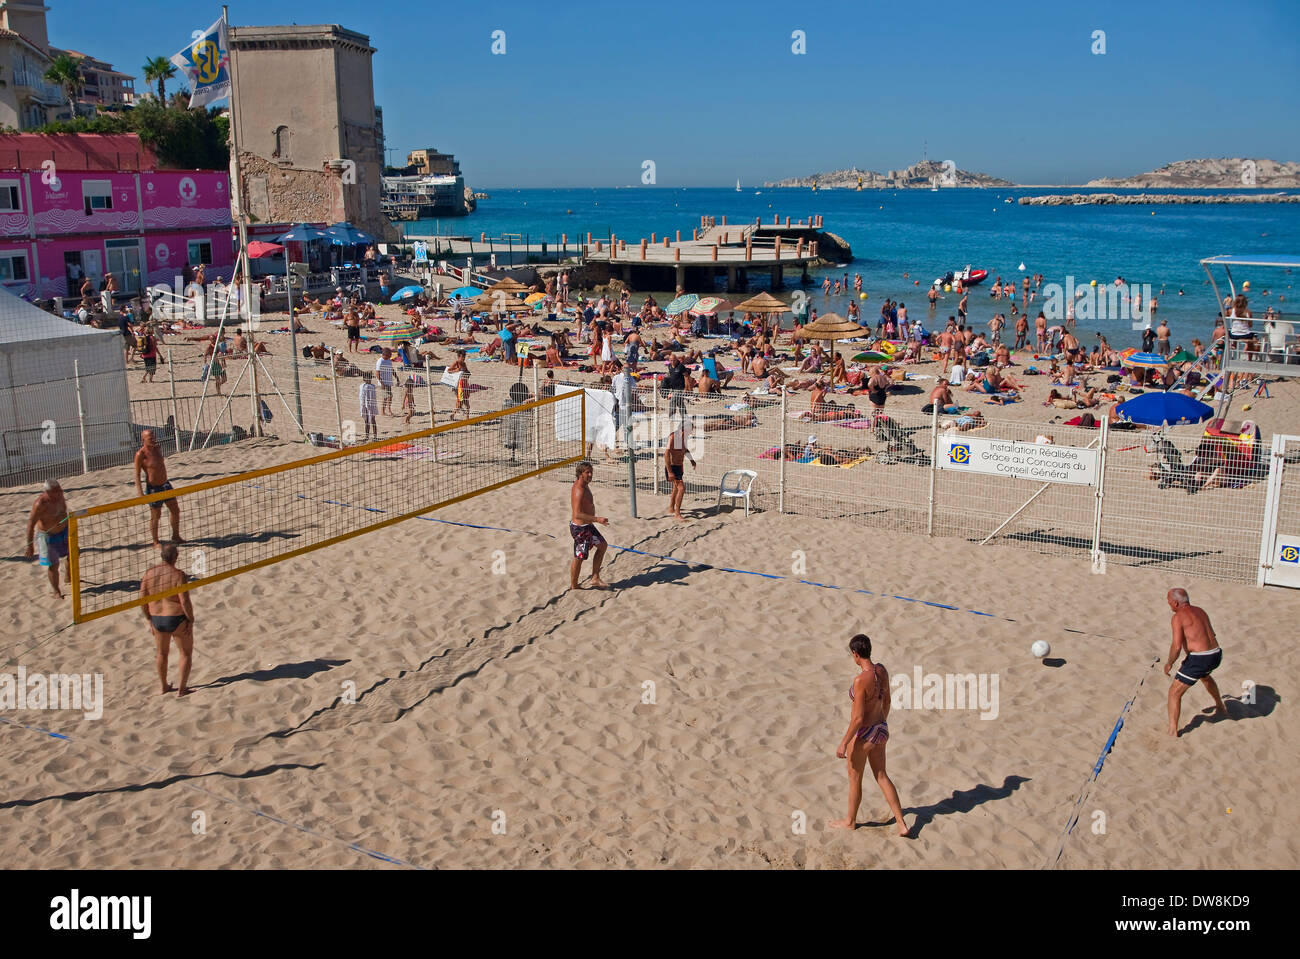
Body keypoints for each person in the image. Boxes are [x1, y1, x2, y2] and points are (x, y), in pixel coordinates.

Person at [829, 633, 910, 836]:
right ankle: (901, 823)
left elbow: (857, 719)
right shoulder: (881, 670)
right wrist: (881, 723)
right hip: (881, 729)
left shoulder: (860, 680)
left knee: (855, 777)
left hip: (865, 733)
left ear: (855, 654)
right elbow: (888, 701)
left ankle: (850, 821)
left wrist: (843, 743)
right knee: (882, 776)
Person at [1163, 588, 1227, 737]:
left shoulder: (1178, 617)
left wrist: (1169, 663)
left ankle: (1173, 731)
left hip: (1201, 658)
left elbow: (1177, 646)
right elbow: (1208, 634)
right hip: (1216, 654)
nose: (1168, 603)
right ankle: (1220, 706)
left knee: (1174, 693)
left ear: (1176, 603)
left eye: (1169, 601)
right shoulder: (1200, 611)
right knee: (1204, 676)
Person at [140, 543, 195, 697]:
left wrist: (149, 619)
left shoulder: (148, 574)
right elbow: (184, 601)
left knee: (161, 654)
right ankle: (182, 689)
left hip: (157, 619)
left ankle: (164, 686)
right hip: (176, 618)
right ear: (175, 557)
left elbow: (142, 600)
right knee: (185, 653)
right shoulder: (178, 575)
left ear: (161, 556)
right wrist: (190, 620)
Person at [134, 429, 182, 547]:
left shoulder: (157, 448)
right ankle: (155, 541)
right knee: (156, 515)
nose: (153, 439)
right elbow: (137, 474)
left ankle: (176, 536)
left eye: (153, 436)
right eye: (150, 438)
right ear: (143, 440)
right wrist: (140, 493)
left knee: (175, 510)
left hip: (165, 484)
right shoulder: (140, 454)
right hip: (153, 488)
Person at [569, 462, 610, 590]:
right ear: (580, 474)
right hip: (580, 529)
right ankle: (574, 585)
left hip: (588, 526)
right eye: (587, 472)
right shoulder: (579, 490)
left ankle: (595, 578)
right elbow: (577, 514)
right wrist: (597, 519)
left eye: (591, 472)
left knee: (602, 546)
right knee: (579, 557)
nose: (590, 475)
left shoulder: (585, 485)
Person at [25, 479, 70, 598]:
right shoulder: (40, 504)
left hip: (64, 532)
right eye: (57, 491)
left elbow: (64, 514)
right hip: (48, 536)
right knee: (53, 565)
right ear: (48, 492)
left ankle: (68, 575)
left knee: (74, 553)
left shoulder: (60, 497)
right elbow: (31, 523)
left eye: (60, 489)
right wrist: (30, 545)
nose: (60, 492)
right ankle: (56, 591)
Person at [664, 417, 696, 521]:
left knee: (676, 488)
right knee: (681, 488)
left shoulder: (683, 437)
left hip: (679, 466)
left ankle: (671, 508)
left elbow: (685, 449)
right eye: (690, 431)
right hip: (672, 467)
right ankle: (677, 513)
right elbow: (666, 454)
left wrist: (692, 460)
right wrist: (669, 471)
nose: (690, 433)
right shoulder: (673, 436)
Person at [375, 347, 400, 416]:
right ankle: (383, 411)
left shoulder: (389, 360)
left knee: (389, 396)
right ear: (386, 354)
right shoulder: (380, 361)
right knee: (385, 397)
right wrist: (381, 383)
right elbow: (377, 373)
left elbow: (392, 369)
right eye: (390, 355)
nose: (391, 356)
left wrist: (397, 377)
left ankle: (388, 410)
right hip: (383, 382)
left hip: (389, 382)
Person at [359, 372, 378, 440]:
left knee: (373, 420)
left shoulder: (371, 386)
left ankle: (375, 436)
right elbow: (362, 396)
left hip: (371, 406)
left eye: (369, 378)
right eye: (367, 379)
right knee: (366, 421)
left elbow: (372, 397)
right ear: (364, 379)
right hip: (365, 406)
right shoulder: (363, 386)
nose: (368, 380)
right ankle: (367, 436)